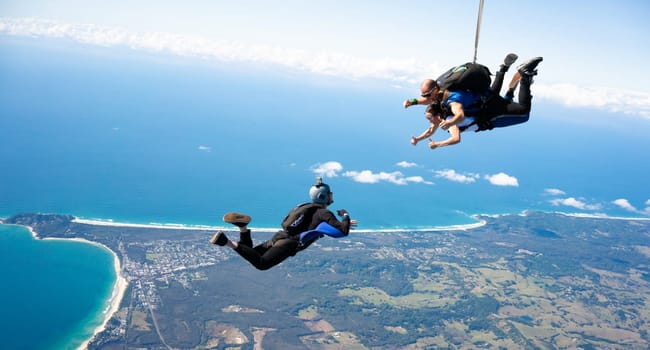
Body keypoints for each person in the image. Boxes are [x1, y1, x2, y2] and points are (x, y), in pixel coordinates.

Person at [210, 177, 358, 270]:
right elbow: (342, 232)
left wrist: (343, 222)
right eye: (330, 193)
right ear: (324, 196)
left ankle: (243, 227)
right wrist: (345, 215)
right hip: (288, 244)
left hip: (280, 237)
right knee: (262, 264)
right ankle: (226, 242)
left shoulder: (306, 207)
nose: (332, 196)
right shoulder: (324, 213)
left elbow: (325, 226)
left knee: (252, 252)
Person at [410, 56, 542, 150]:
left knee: (524, 114)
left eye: (430, 119)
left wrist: (438, 144)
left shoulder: (450, 118)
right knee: (497, 95)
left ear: (438, 116)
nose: (429, 122)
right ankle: (504, 73)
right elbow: (429, 131)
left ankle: (525, 76)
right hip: (485, 98)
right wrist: (417, 139)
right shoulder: (441, 99)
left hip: (491, 117)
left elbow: (456, 137)